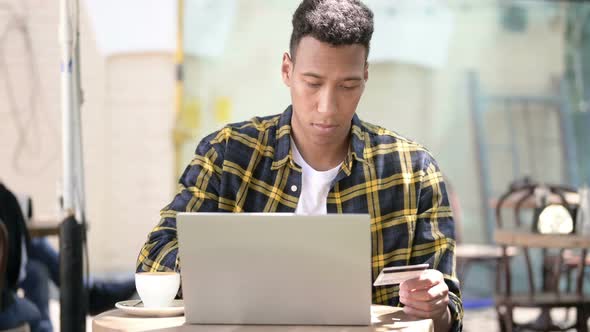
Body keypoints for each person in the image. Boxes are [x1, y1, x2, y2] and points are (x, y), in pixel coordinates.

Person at [136, 1, 463, 331]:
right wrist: (218, 268)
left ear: (365, 76)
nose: (327, 107)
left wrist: (436, 308)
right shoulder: (227, 155)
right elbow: (154, 258)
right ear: (286, 71)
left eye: (347, 86)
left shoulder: (413, 171)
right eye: (312, 82)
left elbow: (449, 313)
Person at [0, 182, 136, 332]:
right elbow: (17, 273)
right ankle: (88, 294)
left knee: (36, 268)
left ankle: (88, 294)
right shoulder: (4, 197)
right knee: (36, 268)